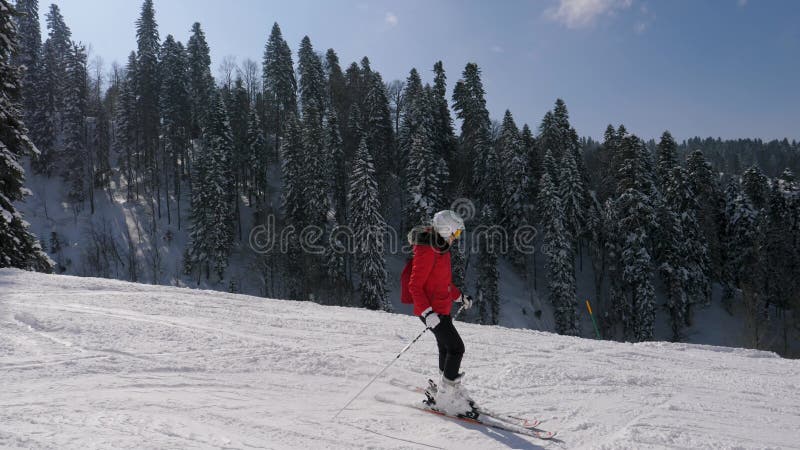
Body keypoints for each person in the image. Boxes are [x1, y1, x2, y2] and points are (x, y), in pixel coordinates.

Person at [407, 210, 475, 415]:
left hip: (440, 308)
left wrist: (459, 296)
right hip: (431, 311)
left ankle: (447, 388)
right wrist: (428, 314)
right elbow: (415, 286)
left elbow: (443, 282)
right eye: (455, 234)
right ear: (446, 230)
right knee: (456, 348)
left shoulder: (441, 248)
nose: (456, 238)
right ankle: (447, 395)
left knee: (446, 348)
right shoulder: (428, 250)